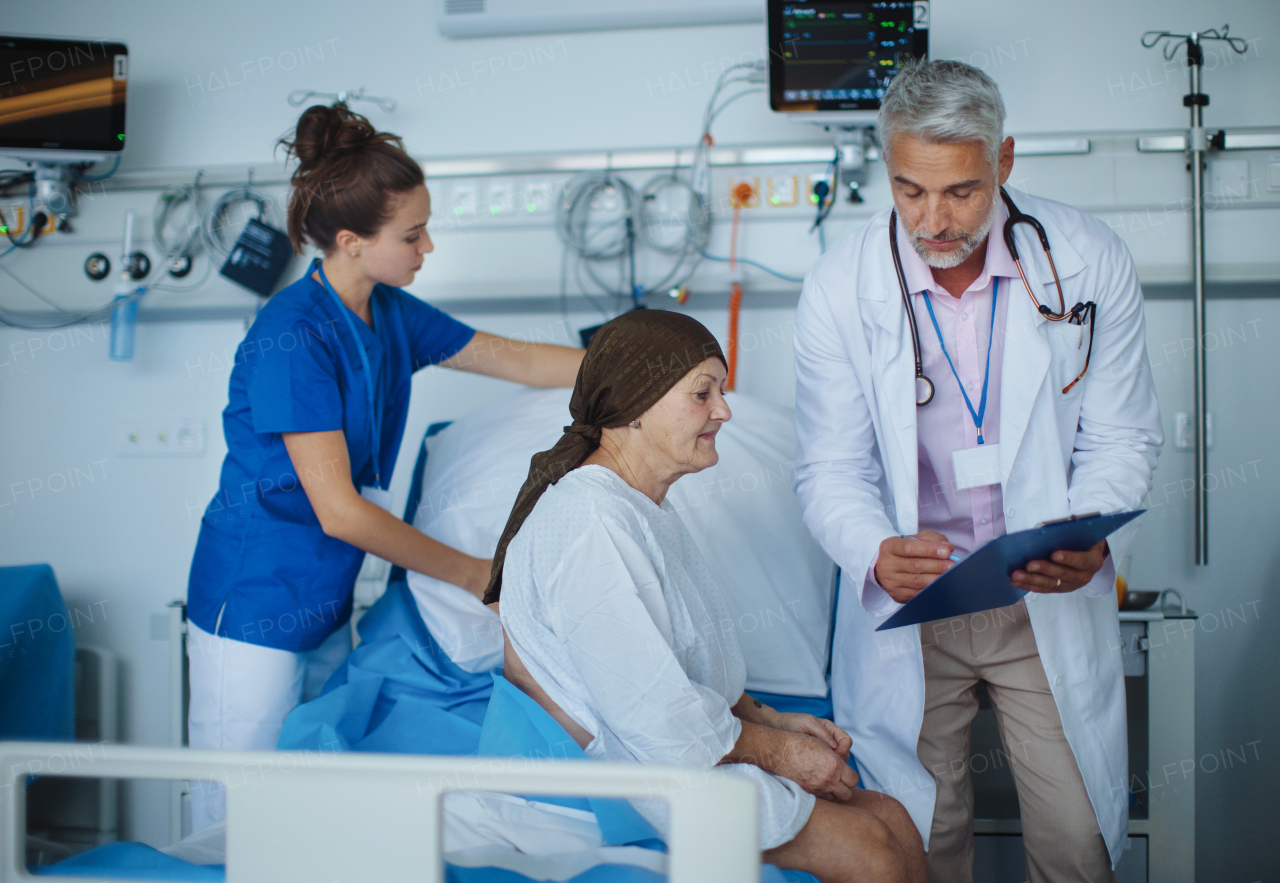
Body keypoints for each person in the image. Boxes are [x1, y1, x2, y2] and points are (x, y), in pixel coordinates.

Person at [791, 61, 1162, 883]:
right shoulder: (840, 287)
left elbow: (1125, 438)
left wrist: (1087, 537)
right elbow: (826, 467)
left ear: (1006, 161)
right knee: (925, 838)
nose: (934, 219)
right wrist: (873, 549)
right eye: (909, 190)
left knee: (1077, 844)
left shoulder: (1087, 259)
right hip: (915, 604)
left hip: (1042, 596)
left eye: (960, 190)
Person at [184, 103, 583, 830]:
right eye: (412, 234)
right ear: (351, 241)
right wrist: (472, 573)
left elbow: (518, 359)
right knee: (232, 815)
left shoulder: (392, 312)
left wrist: (643, 368)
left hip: (326, 590)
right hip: (253, 599)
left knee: (305, 798)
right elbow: (339, 509)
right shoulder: (291, 336)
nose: (428, 246)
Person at [484, 310, 928, 883]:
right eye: (703, 393)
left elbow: (686, 662)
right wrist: (781, 754)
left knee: (893, 814)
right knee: (870, 846)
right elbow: (654, 712)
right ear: (635, 407)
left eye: (720, 389)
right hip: (629, 774)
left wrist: (774, 720)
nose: (724, 409)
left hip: (676, 750)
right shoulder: (588, 522)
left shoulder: (639, 509)